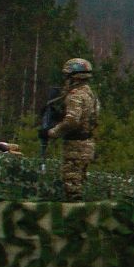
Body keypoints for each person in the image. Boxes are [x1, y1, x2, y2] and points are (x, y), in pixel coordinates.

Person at [44, 58, 99, 201]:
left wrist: (52, 132)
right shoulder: (90, 94)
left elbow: (72, 121)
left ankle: (76, 220)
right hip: (87, 144)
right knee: (79, 184)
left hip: (76, 146)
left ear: (72, 77)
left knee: (72, 190)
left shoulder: (75, 96)